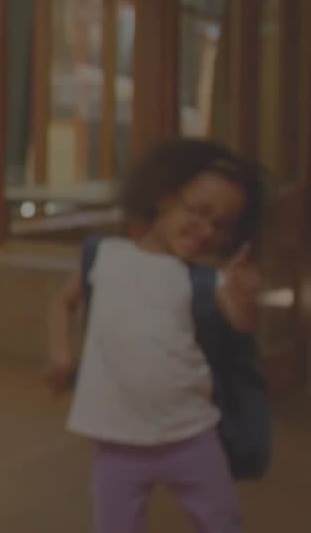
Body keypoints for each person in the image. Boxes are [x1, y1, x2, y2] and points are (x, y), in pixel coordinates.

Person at [45, 138, 267, 533]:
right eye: (199, 211)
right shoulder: (106, 255)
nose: (206, 230)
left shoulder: (206, 280)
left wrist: (244, 300)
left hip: (190, 432)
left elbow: (242, 326)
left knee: (221, 521)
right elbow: (63, 302)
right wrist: (60, 353)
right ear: (164, 196)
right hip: (115, 436)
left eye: (221, 225)